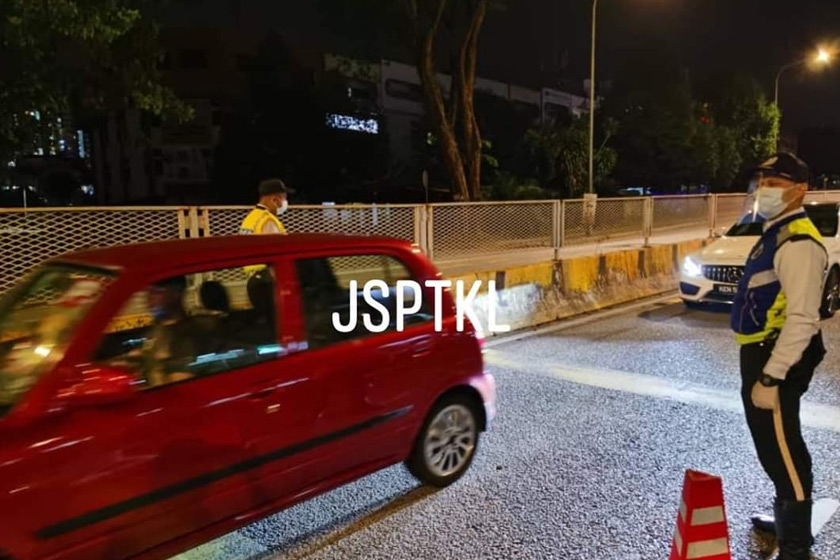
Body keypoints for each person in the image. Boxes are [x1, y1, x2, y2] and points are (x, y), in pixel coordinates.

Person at [731, 153, 827, 560]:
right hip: (763, 352)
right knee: (774, 444)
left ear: (799, 190)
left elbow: (804, 318)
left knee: (783, 447)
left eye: (774, 182)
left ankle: (795, 545)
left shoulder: (799, 242)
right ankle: (786, 517)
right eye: (761, 181)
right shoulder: (776, 231)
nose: (763, 188)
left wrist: (771, 378)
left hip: (778, 356)